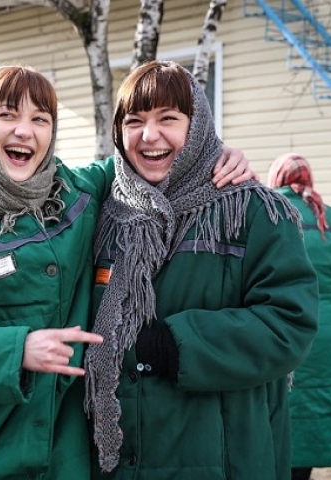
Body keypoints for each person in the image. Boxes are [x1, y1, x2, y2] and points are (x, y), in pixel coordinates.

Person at [0, 65, 254, 479]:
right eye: (8, 114)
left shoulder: (75, 198)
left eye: (40, 119)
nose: (24, 131)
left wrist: (216, 154)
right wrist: (16, 352)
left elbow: (145, 158)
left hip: (58, 462)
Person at [84, 61, 318, 479]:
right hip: (121, 461)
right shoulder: (102, 211)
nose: (149, 136)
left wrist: (176, 345)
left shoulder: (253, 212)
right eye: (134, 121)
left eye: (168, 119)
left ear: (198, 126)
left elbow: (289, 324)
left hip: (224, 457)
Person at [266, 153, 331, 480]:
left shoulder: (264, 212)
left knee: (271, 412)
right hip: (324, 337)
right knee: (310, 421)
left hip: (273, 333)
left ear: (277, 178)